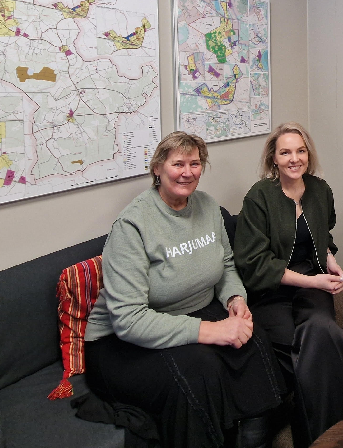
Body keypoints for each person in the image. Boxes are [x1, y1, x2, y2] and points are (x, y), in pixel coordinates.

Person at [83, 131, 286, 448]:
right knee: (201, 368)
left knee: (254, 339)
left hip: (192, 310)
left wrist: (235, 299)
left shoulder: (208, 206)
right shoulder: (132, 225)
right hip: (119, 341)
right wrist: (211, 331)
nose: (187, 172)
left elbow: (226, 265)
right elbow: (128, 320)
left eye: (195, 163)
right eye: (178, 163)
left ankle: (253, 439)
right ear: (157, 168)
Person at [233, 122, 343, 448]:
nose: (294, 159)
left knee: (323, 331)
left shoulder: (320, 190)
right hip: (270, 288)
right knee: (296, 343)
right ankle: (323, 435)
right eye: (285, 152)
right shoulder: (259, 197)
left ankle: (341, 436)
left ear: (309, 154)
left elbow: (323, 236)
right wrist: (313, 280)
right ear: (273, 159)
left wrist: (330, 261)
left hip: (312, 279)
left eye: (301, 151)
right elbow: (255, 263)